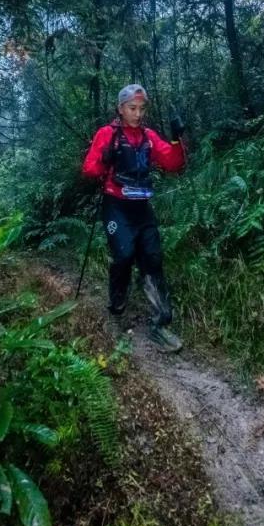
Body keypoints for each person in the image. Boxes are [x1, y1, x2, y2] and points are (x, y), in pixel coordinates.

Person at [81, 83, 186, 352]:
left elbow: (173, 164)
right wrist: (106, 157)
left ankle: (161, 323)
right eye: (132, 108)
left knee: (153, 258)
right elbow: (89, 169)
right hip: (116, 205)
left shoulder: (149, 137)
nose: (138, 114)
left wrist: (176, 139)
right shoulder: (108, 134)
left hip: (142, 206)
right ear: (121, 109)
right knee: (125, 255)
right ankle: (117, 302)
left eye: (141, 109)